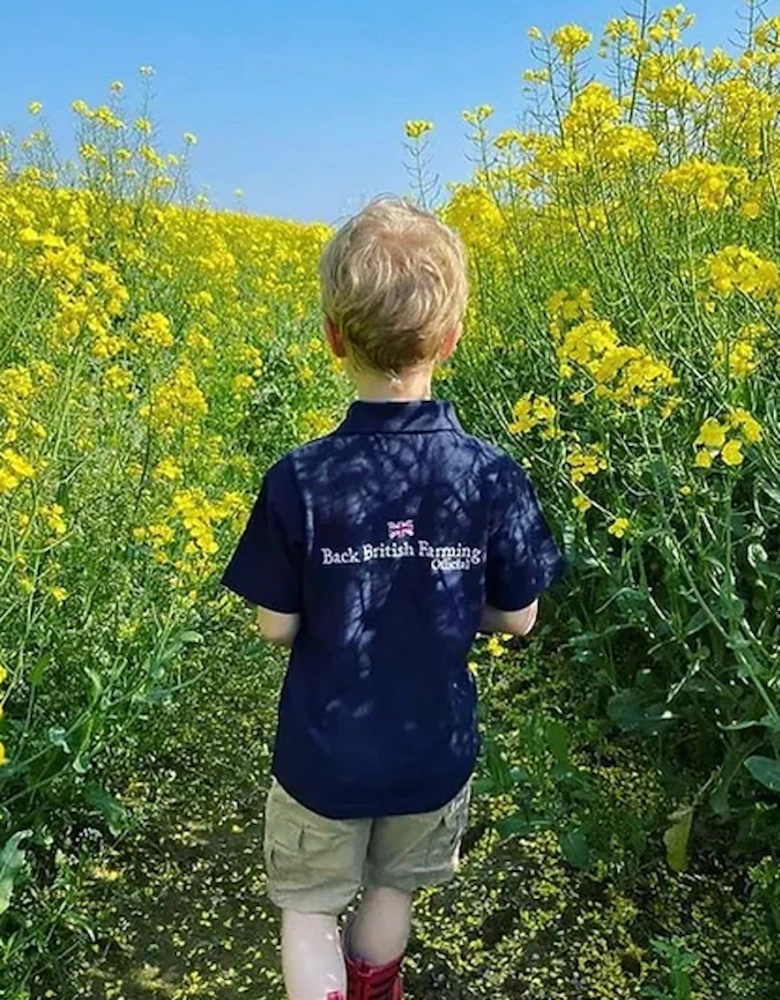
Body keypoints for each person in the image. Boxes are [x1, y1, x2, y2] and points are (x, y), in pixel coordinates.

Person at [220, 198, 564, 1000]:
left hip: (322, 754)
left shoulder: (299, 477)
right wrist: (439, 596)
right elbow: (517, 616)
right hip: (431, 750)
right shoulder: (492, 475)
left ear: (333, 336)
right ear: (451, 339)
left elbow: (277, 626)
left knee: (308, 912)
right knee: (389, 894)